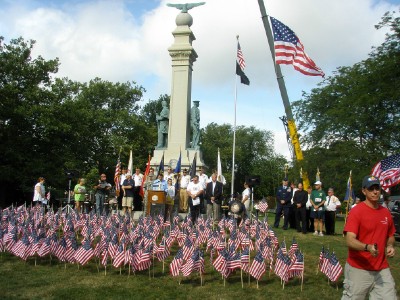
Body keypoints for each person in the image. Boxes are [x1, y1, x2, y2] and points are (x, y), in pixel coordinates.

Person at [342, 175, 396, 300]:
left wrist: (390, 245)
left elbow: (390, 235)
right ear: (364, 191)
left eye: (377, 188)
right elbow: (349, 240)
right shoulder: (357, 212)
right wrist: (367, 247)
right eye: (371, 189)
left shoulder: (385, 212)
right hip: (358, 269)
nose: (375, 191)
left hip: (381, 269)